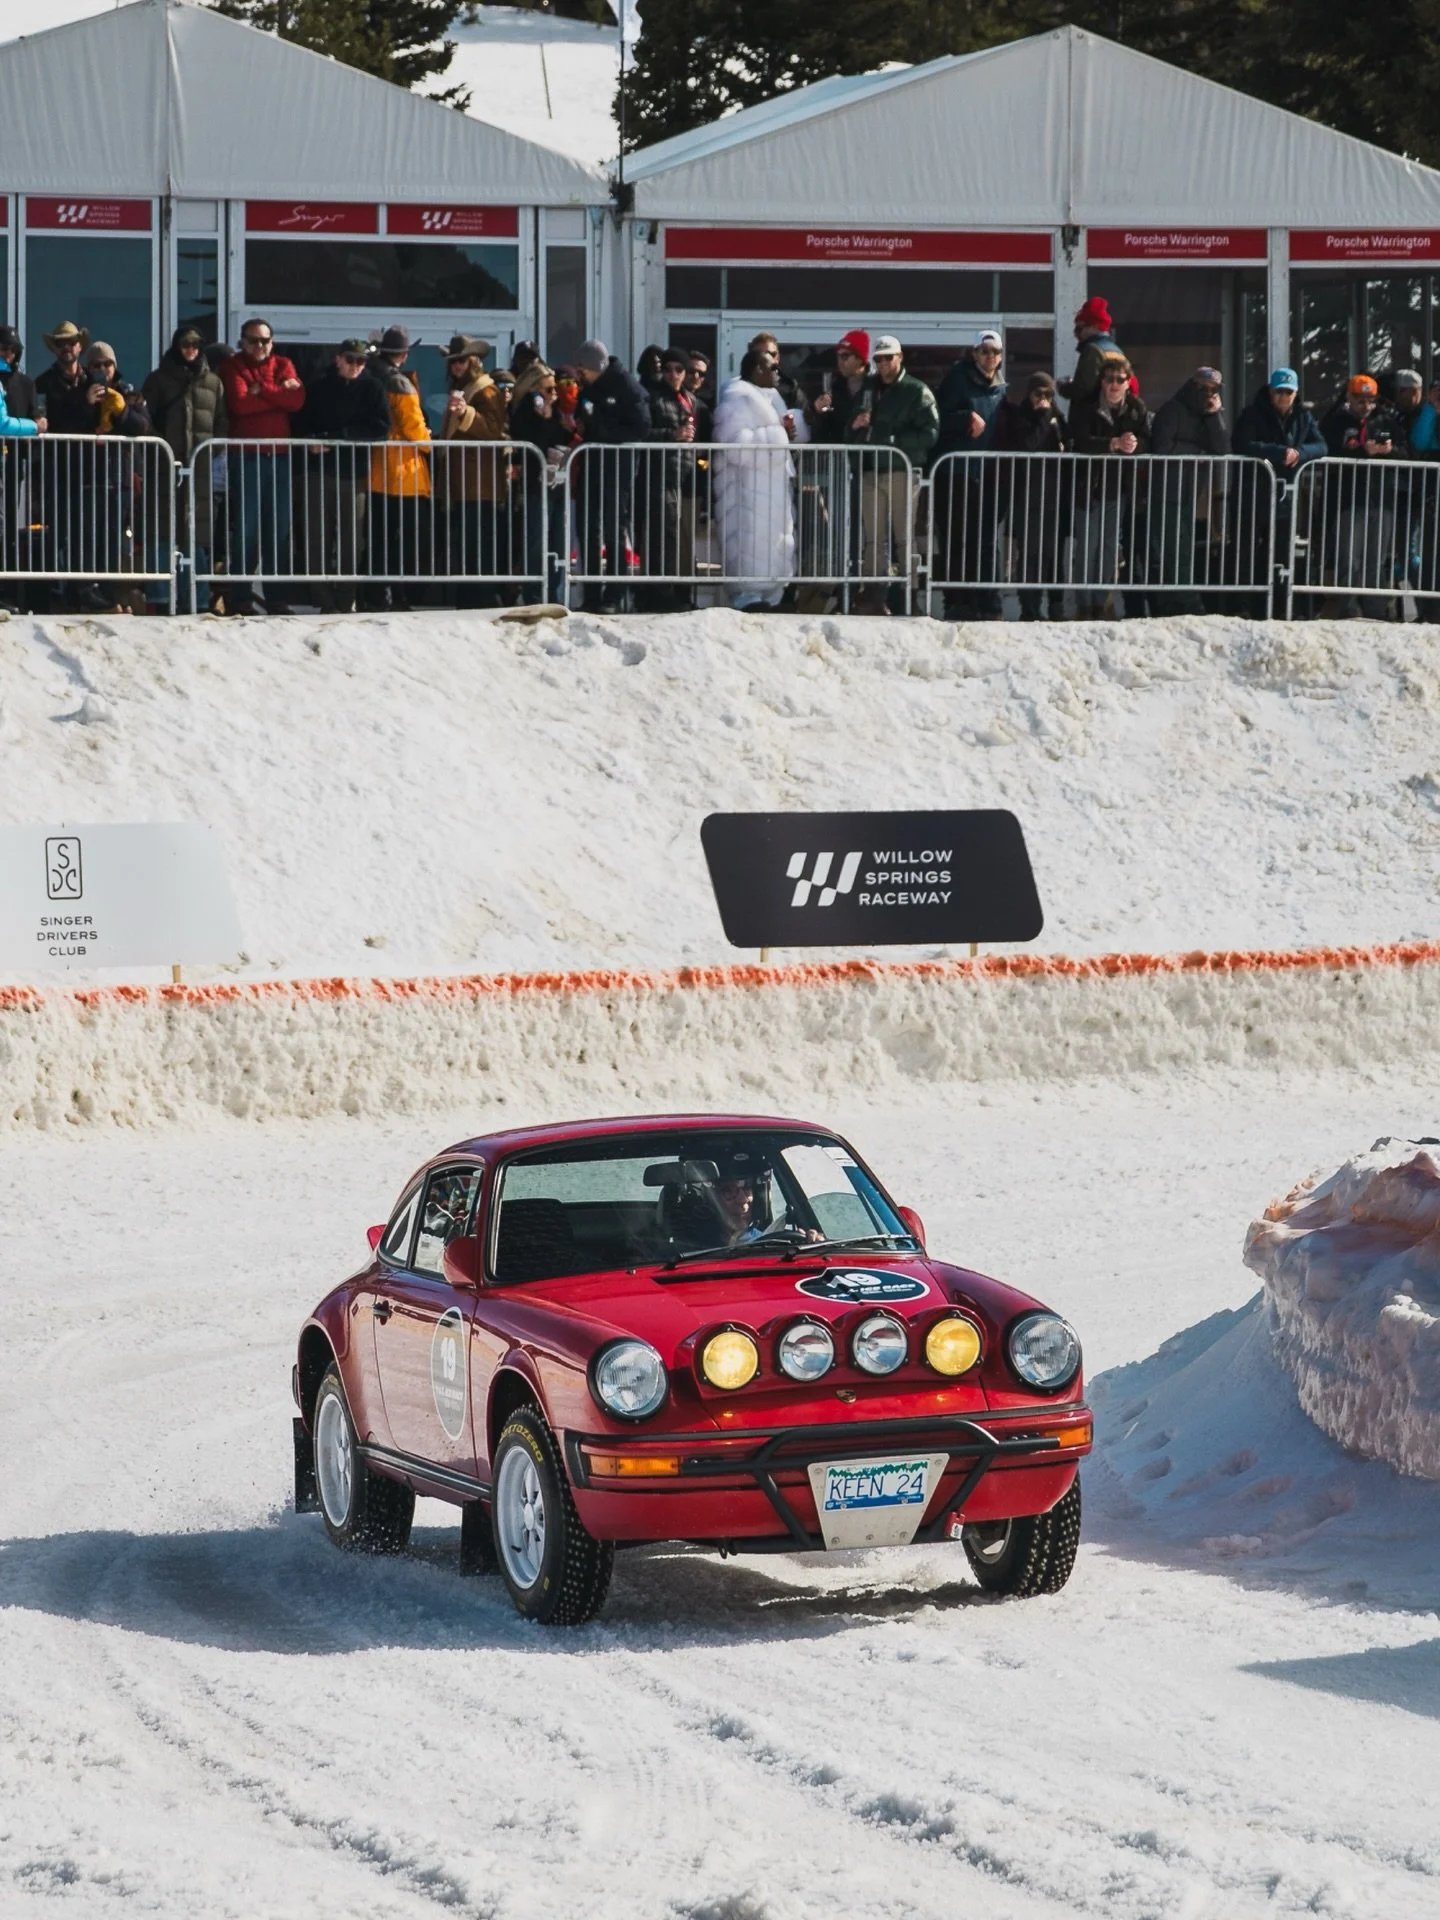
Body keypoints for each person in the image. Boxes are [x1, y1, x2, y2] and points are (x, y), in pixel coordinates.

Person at [218, 317, 305, 614]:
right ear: (242, 341)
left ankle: (276, 597)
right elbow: (240, 404)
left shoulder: (284, 363)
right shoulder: (232, 366)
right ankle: (240, 597)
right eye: (253, 340)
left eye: (265, 340)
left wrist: (262, 389)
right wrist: (278, 391)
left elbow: (296, 401)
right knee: (247, 529)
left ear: (272, 342)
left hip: (279, 457)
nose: (259, 346)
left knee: (278, 530)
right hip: (246, 456)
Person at [296, 340, 388, 612]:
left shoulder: (372, 388)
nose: (356, 366)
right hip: (320, 472)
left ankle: (347, 600)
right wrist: (311, 442)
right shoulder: (318, 388)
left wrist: (339, 437)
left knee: (352, 541)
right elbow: (300, 424)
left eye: (361, 361)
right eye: (351, 360)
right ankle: (324, 601)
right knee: (317, 538)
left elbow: (380, 427)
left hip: (354, 474)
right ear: (338, 359)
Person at [850, 335, 938, 614]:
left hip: (901, 470)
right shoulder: (868, 389)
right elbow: (852, 428)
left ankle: (909, 597)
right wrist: (856, 426)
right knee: (873, 538)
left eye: (889, 357)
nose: (883, 364)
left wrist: (892, 441)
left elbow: (930, 433)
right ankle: (875, 595)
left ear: (900, 358)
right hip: (871, 469)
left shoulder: (916, 390)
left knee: (904, 536)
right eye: (878, 359)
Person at [142, 325, 228, 612]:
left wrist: (209, 450)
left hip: (198, 469)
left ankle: (197, 598)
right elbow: (145, 420)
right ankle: (160, 597)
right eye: (185, 344)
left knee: (196, 532)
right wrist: (161, 448)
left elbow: (221, 422)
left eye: (195, 344)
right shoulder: (158, 379)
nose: (191, 349)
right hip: (164, 466)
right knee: (162, 530)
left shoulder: (213, 382)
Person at [1231, 367, 1324, 616]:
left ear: (1296, 393)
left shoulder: (1303, 416)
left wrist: (1300, 453)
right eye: (1279, 392)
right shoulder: (1252, 414)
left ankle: (1281, 608)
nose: (1284, 397)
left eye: (1288, 392)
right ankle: (1244, 606)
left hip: (1284, 498)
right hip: (1253, 494)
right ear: (1271, 392)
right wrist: (1279, 452)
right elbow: (1243, 443)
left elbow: (1321, 445)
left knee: (1282, 553)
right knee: (1247, 553)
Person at [1068, 353, 1152, 616]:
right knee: (1087, 547)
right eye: (1109, 379)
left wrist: (1135, 445)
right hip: (1088, 488)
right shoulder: (1087, 406)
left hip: (1119, 490)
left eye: (1119, 379)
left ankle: (1102, 602)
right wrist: (1112, 444)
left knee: (1109, 548)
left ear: (1128, 382)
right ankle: (1084, 605)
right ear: (1102, 382)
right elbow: (1079, 441)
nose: (1114, 384)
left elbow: (1148, 441)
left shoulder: (1136, 408)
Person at [713, 349, 796, 609]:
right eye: (772, 368)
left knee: (773, 540)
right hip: (746, 489)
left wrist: (793, 429)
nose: (778, 373)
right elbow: (735, 446)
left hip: (772, 488)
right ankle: (747, 592)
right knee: (749, 541)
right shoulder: (737, 398)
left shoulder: (771, 397)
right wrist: (778, 436)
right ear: (757, 369)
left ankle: (772, 591)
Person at [933, 330, 1008, 618]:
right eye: (984, 351)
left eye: (995, 352)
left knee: (985, 539)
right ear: (974, 353)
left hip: (987, 472)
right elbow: (937, 418)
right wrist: (964, 418)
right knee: (956, 538)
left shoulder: (1001, 387)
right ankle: (956, 600)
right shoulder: (957, 379)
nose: (990, 357)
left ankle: (987, 601)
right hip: (955, 470)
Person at [796, 328, 871, 611]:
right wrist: (816, 411)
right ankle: (843, 590)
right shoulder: (834, 388)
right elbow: (822, 432)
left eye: (846, 355)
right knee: (840, 534)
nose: (840, 361)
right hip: (840, 470)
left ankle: (863, 592)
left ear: (861, 359)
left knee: (868, 534)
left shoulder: (875, 388)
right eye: (839, 355)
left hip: (868, 469)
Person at [574, 337, 650, 611]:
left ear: (597, 366)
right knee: (588, 527)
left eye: (584, 369)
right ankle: (592, 593)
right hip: (593, 463)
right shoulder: (589, 388)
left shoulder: (626, 386)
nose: (580, 375)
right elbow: (584, 414)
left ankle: (615, 594)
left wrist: (602, 427)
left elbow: (641, 427)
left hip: (618, 467)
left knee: (614, 528)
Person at [1319, 373, 1403, 616]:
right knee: (1348, 558)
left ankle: (1376, 612)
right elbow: (1327, 452)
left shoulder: (1385, 421)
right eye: (1360, 400)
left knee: (1375, 560)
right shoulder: (1336, 422)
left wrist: (1389, 451)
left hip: (1381, 500)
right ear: (1349, 397)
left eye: (1370, 401)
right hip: (1348, 500)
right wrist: (1363, 452)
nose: (1366, 406)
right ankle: (1347, 611)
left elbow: (1408, 452)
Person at [436, 333, 509, 607]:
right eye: (453, 361)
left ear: (473, 362)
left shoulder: (487, 391)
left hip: (481, 483)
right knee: (465, 543)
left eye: (461, 361)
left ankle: (481, 598)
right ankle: (468, 597)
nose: (456, 366)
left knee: (479, 544)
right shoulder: (463, 389)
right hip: (463, 482)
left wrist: (466, 413)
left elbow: (493, 429)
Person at [1149, 366, 1229, 612]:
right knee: (1169, 548)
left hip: (1190, 491)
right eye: (1204, 388)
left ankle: (1178, 599)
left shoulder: (1206, 415)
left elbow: (1222, 449)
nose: (1208, 394)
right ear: (1193, 386)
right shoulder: (1172, 409)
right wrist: (1197, 451)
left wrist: (1215, 416)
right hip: (1166, 489)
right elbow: (1161, 446)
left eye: (1214, 390)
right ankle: (1182, 600)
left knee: (1183, 548)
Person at [996, 371, 1070, 620]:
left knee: (1054, 554)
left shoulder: (1058, 418)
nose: (1043, 399)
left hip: (1055, 496)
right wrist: (1042, 416)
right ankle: (1030, 607)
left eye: (1048, 394)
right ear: (1029, 395)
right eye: (1038, 394)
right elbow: (1029, 444)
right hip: (1027, 496)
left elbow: (1067, 446)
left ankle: (1056, 605)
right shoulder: (1022, 418)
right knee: (1030, 554)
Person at [368, 326, 433, 610]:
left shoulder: (370, 375)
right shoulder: (399, 383)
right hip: (402, 472)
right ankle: (397, 595)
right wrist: (430, 443)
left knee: (379, 538)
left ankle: (375, 594)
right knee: (402, 540)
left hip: (376, 471)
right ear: (404, 354)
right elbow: (413, 427)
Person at [637, 346, 698, 610]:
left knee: (675, 536)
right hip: (656, 473)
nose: (673, 374)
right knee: (661, 536)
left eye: (679, 369)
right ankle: (659, 593)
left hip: (680, 475)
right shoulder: (653, 396)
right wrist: (672, 435)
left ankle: (672, 592)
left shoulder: (688, 398)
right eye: (668, 369)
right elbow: (642, 432)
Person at [507, 357, 572, 602]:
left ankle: (554, 592)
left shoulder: (555, 410)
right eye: (548, 389)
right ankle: (534, 592)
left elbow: (560, 438)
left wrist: (564, 426)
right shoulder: (525, 411)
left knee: (558, 539)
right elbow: (530, 442)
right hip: (536, 482)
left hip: (556, 481)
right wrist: (543, 418)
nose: (554, 393)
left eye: (555, 388)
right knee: (536, 539)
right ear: (534, 389)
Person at [0, 327, 43, 608]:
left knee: (6, 525)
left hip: (14, 463)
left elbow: (35, 412)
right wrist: (33, 427)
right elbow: (3, 424)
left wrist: (37, 422)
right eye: (3, 348)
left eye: (12, 350)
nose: (8, 355)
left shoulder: (25, 383)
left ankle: (5, 591)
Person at [1059, 296, 1120, 409]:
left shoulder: (1093, 350)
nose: (1076, 334)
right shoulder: (1115, 350)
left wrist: (1063, 387)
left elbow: (1083, 389)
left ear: (1093, 327)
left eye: (1079, 328)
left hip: (1092, 415)